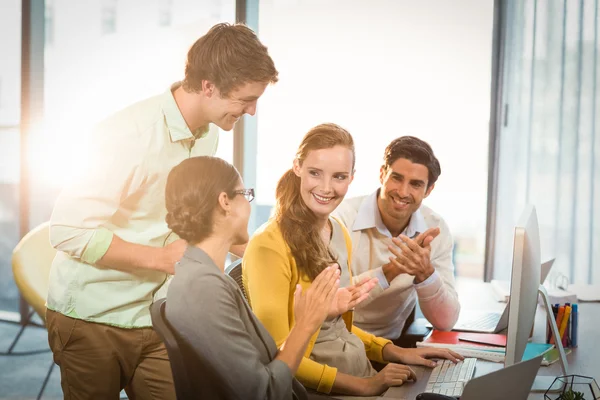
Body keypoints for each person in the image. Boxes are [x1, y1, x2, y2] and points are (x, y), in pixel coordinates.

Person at [45, 23, 278, 399]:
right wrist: (161, 258)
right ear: (209, 86)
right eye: (246, 99)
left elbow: (193, 213)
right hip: (91, 316)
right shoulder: (127, 134)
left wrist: (258, 250)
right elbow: (68, 230)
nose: (251, 111)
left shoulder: (210, 133)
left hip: (159, 315)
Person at [243, 124, 462, 397]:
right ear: (297, 167)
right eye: (314, 173)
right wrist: (367, 385)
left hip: (361, 371)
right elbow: (279, 359)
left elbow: (338, 331)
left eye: (338, 176)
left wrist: (394, 351)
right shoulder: (269, 245)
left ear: (351, 178)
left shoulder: (337, 231)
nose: (326, 188)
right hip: (328, 388)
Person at [165, 156, 341, 400]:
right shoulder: (203, 288)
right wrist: (305, 326)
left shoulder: (205, 276)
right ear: (225, 201)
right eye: (245, 194)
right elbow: (262, 393)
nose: (249, 206)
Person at [333, 136, 461, 341]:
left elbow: (446, 321)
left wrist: (425, 273)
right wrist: (393, 269)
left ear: (429, 190)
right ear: (382, 174)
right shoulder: (342, 218)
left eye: (416, 184)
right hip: (337, 340)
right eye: (397, 178)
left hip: (390, 345)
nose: (403, 192)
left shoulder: (435, 229)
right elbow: (333, 300)